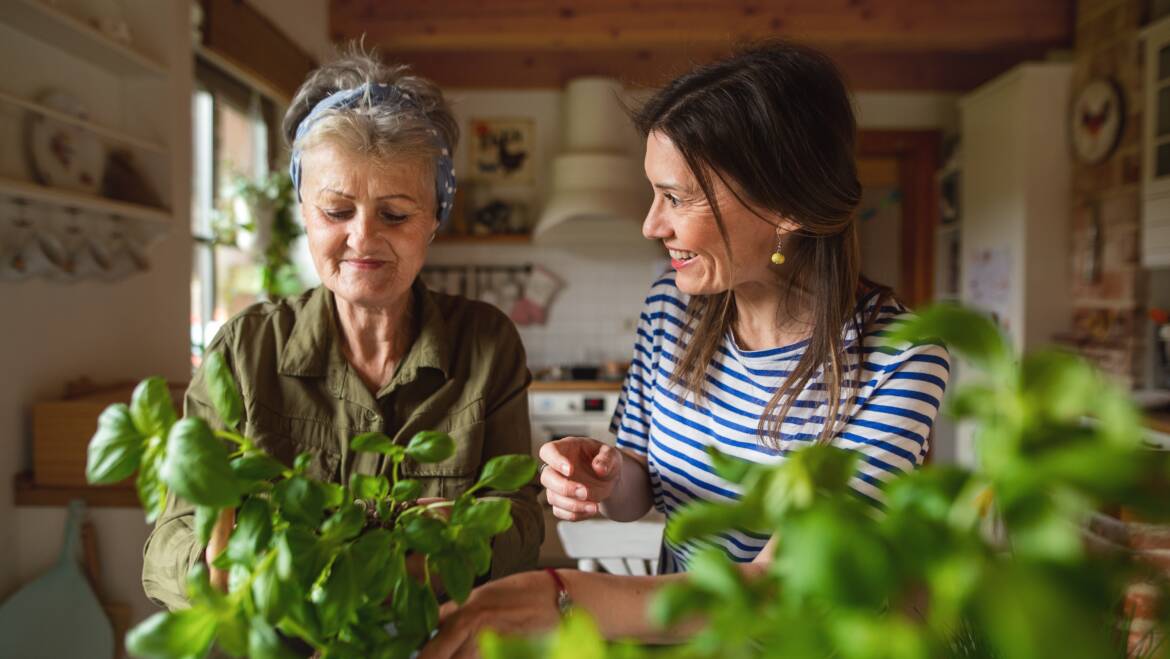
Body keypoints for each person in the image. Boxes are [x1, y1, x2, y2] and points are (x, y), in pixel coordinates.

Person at [419, 41, 950, 657]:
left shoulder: (900, 359)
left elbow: (782, 589)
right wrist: (607, 475)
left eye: (676, 197)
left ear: (785, 207)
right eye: (654, 193)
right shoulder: (672, 306)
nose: (651, 225)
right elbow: (639, 489)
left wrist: (560, 594)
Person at [142, 50, 543, 609]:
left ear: (434, 218)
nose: (362, 239)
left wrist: (462, 542)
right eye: (336, 211)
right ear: (305, 210)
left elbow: (522, 518)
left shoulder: (486, 343)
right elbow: (167, 543)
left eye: (396, 215)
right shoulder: (245, 349)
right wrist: (213, 563)